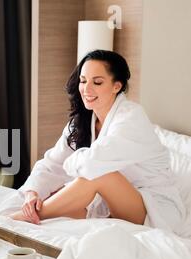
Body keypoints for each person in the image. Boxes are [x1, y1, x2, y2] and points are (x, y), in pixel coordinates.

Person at [11, 50, 186, 234]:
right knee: (56, 199)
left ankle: (21, 218)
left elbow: (92, 165)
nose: (86, 89)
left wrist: (68, 173)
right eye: (83, 80)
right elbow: (52, 163)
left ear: (116, 86)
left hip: (153, 208)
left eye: (97, 82)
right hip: (111, 204)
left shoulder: (131, 117)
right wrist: (33, 192)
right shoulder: (83, 122)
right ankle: (30, 213)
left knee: (99, 174)